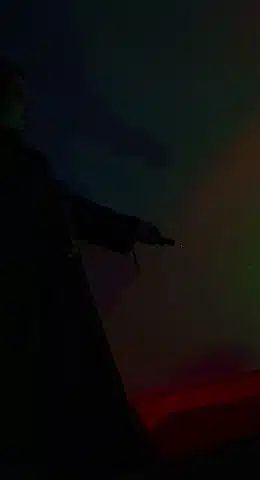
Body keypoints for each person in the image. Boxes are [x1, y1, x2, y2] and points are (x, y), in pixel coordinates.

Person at [0, 57, 172, 477]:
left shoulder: (25, 166)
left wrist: (129, 228)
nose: (26, 107)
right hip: (39, 317)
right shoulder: (21, 167)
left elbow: (67, 209)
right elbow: (64, 212)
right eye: (16, 96)